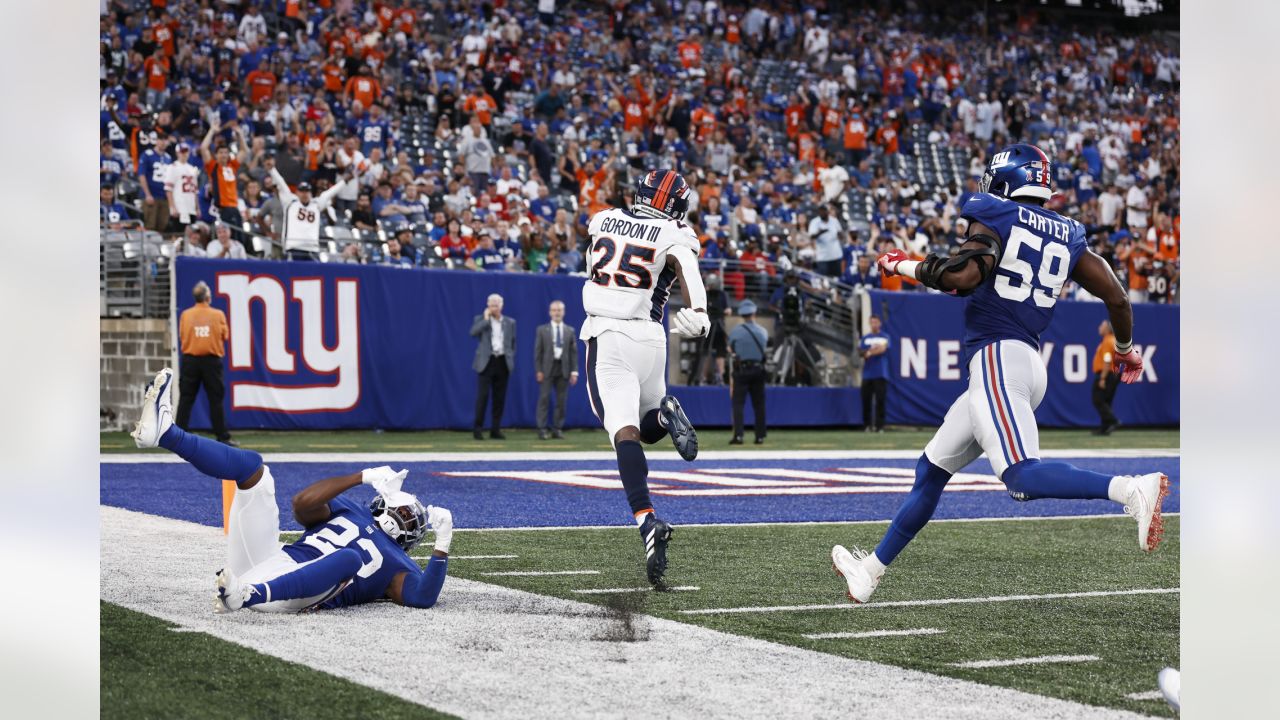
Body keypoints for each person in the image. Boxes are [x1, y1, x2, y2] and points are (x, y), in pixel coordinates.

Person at [832, 143, 1169, 603]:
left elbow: (962, 276)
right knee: (931, 469)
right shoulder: (1067, 232)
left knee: (1021, 477)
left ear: (1004, 179)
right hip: (1022, 362)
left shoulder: (996, 213)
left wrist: (902, 263)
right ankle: (869, 571)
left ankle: (1131, 489)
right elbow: (1117, 297)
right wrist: (1127, 350)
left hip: (997, 358)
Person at [129, 368, 453, 612]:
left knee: (350, 558)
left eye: (412, 518)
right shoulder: (352, 509)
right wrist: (363, 476)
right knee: (254, 471)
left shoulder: (399, 564)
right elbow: (302, 503)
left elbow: (422, 596)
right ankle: (166, 434)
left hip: (288, 597)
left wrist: (443, 543)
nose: (406, 517)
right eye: (406, 508)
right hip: (265, 565)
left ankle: (247, 595)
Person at [580, 168, 708, 585]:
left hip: (610, 333)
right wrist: (700, 312)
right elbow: (686, 265)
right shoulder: (676, 232)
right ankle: (666, 413)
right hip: (652, 337)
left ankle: (646, 519)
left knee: (623, 433)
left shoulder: (601, 219)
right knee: (647, 426)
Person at [174, 281, 233, 445]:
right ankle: (222, 436)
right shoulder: (218, 315)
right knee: (215, 399)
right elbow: (224, 336)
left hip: (190, 359)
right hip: (211, 361)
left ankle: (179, 434)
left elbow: (182, 335)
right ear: (207, 297)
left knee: (186, 397)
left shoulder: (186, 315)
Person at [270, 166, 349, 260]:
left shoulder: (316, 204)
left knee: (314, 274)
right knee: (294, 274)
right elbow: (281, 183)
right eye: (302, 191)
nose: (305, 194)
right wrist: (272, 170)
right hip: (293, 246)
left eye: (307, 191)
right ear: (297, 192)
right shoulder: (290, 202)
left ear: (311, 193)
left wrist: (345, 181)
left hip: (312, 248)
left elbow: (331, 192)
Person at [470, 293, 516, 440]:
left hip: (502, 362)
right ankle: (477, 429)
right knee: (482, 397)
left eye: (496, 305)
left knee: (499, 398)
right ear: (487, 306)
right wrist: (485, 319)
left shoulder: (510, 322)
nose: (493, 308)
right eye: (491, 305)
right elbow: (473, 332)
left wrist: (509, 356)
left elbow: (513, 342)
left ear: (501, 306)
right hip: (486, 362)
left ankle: (495, 429)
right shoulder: (481, 319)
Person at [534, 300, 579, 439]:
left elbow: (573, 353)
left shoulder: (569, 330)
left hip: (563, 369)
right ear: (550, 312)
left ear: (563, 312)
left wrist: (574, 371)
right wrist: (539, 370)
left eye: (559, 310)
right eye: (554, 310)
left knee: (561, 401)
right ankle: (542, 429)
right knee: (544, 399)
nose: (556, 313)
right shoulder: (542, 330)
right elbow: (538, 352)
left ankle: (557, 428)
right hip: (547, 368)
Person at [727, 300, 768, 445]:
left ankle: (738, 436)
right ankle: (760, 436)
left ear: (742, 314)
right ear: (754, 313)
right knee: (759, 405)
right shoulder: (763, 331)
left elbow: (730, 348)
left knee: (738, 404)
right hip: (758, 369)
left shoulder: (736, 331)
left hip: (742, 370)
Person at [858, 315, 891, 432]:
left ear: (880, 323)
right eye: (872, 322)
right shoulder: (865, 338)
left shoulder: (885, 337)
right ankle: (867, 425)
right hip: (867, 374)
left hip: (881, 373)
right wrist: (871, 351)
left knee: (880, 401)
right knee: (866, 401)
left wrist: (870, 352)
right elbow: (860, 352)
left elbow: (883, 349)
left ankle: (880, 426)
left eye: (876, 322)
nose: (874, 325)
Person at [1091, 319, 1121, 435]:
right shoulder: (1111, 340)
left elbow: (1107, 360)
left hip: (1106, 373)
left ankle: (1113, 421)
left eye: (1102, 326)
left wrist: (1102, 378)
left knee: (1098, 400)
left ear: (1108, 329)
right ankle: (1105, 427)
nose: (1099, 327)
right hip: (1112, 374)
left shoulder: (1108, 341)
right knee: (1106, 401)